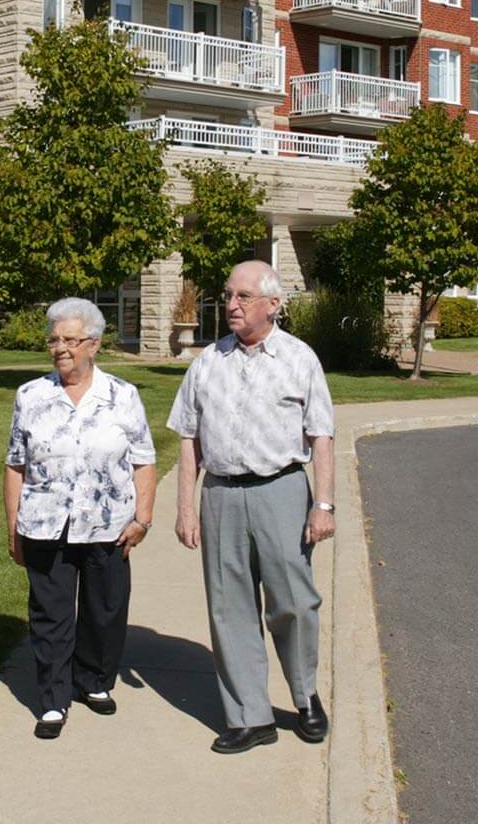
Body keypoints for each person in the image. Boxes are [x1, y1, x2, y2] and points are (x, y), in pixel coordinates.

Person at [167, 260, 337, 755]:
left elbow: (321, 436)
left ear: (273, 305)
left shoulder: (300, 359)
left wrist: (322, 505)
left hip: (281, 490)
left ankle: (305, 696)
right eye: (228, 295)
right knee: (228, 606)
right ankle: (249, 716)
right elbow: (188, 439)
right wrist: (186, 508)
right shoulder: (207, 362)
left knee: (294, 603)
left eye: (243, 296)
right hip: (220, 494)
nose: (232, 305)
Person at [4, 297, 159, 740]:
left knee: (105, 610)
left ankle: (93, 681)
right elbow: (16, 465)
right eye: (53, 339)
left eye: (70, 340)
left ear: (93, 344)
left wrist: (142, 518)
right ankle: (52, 700)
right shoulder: (31, 396)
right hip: (44, 523)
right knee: (50, 614)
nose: (60, 348)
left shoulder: (122, 396)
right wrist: (13, 527)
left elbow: (144, 461)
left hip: (108, 524)